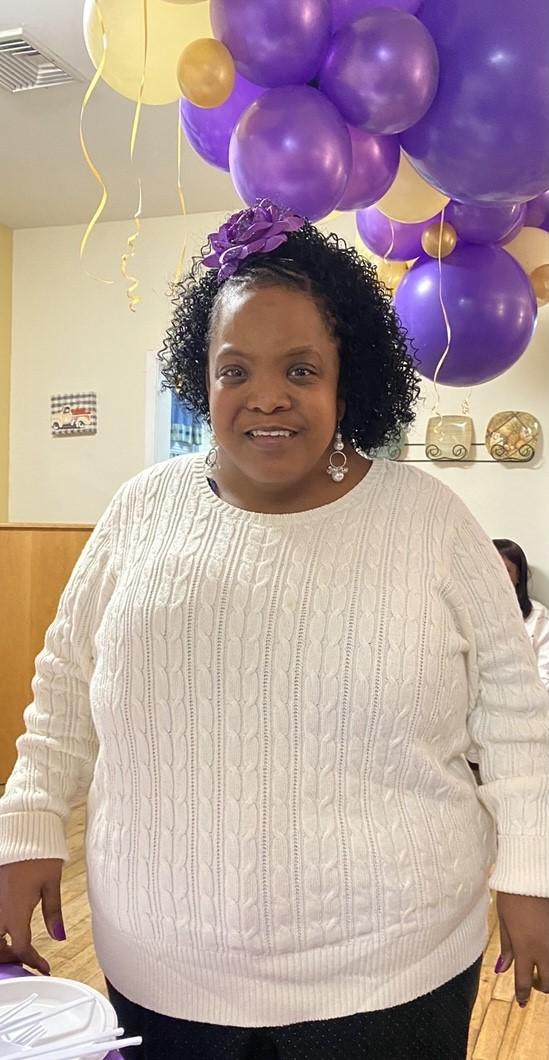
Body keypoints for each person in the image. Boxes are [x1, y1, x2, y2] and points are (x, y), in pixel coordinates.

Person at [1, 201, 548, 1060]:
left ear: (346, 377)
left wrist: (531, 869)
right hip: (164, 969)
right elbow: (65, 685)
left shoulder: (432, 524)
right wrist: (27, 824)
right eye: (235, 370)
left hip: (389, 978)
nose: (266, 396)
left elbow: (516, 720)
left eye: (300, 369)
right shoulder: (140, 513)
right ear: (201, 377)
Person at [493, 538, 549, 690]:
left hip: (529, 704)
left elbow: (545, 675)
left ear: (518, 576)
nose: (495, 577)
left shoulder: (538, 616)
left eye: (505, 570)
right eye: (490, 570)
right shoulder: (469, 614)